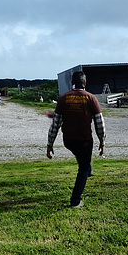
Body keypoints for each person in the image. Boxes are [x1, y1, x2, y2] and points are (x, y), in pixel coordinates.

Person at [47, 71, 106, 208]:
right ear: (85, 83)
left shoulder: (63, 98)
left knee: (83, 159)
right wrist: (102, 143)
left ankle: (88, 165)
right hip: (85, 140)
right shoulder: (91, 98)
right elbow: (100, 124)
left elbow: (55, 124)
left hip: (68, 140)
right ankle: (75, 200)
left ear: (72, 83)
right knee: (83, 168)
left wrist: (50, 144)